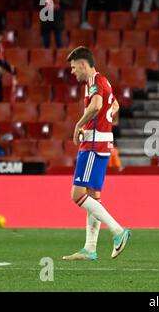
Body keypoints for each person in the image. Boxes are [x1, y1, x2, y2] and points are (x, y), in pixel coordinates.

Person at [62, 46, 131, 261]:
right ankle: (90, 248)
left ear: (83, 65)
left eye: (74, 68)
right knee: (93, 196)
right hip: (102, 142)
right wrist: (99, 122)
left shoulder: (93, 81)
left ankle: (118, 231)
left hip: (93, 145)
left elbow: (96, 106)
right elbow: (115, 105)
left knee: (77, 195)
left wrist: (79, 126)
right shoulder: (104, 80)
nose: (73, 72)